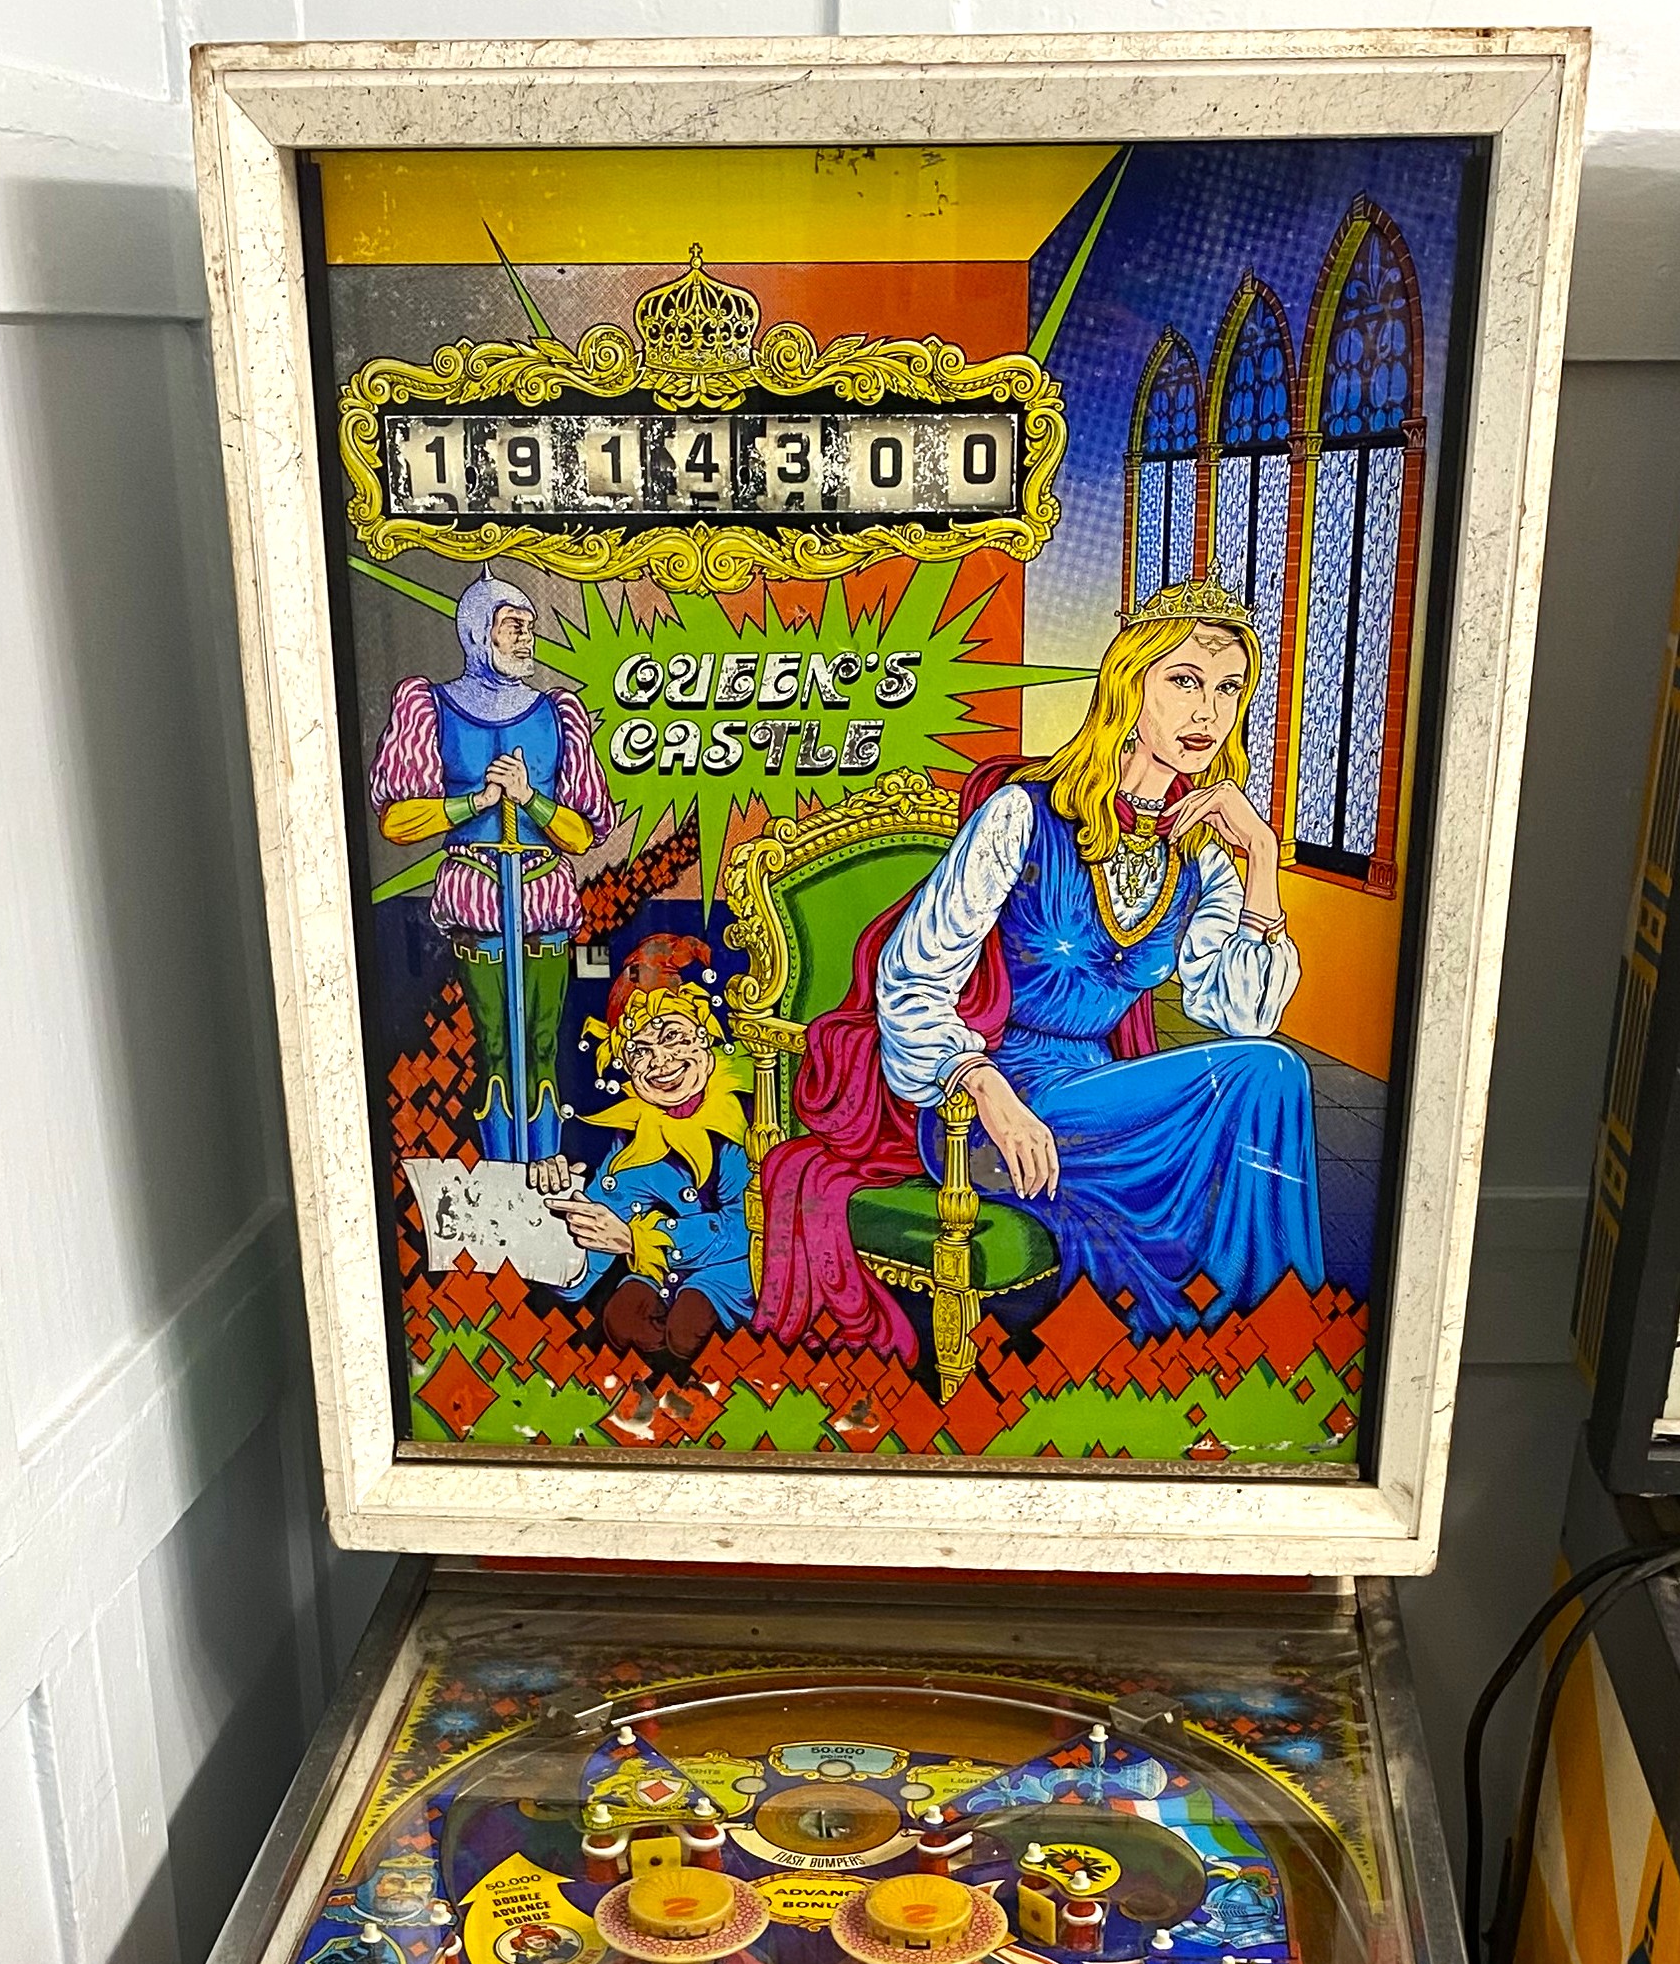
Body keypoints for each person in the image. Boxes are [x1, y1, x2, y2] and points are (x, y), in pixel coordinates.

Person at [757, 580, 1322, 1361]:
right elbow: (911, 978)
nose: (1208, 713)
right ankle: (1270, 1332)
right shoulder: (1023, 815)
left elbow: (1244, 1015)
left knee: (1267, 1070)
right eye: (1185, 681)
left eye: (1229, 689)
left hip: (1100, 1097)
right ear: (1129, 687)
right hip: (986, 1113)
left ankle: (1247, 1336)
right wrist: (983, 1086)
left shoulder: (1203, 858)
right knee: (1268, 1078)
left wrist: (1261, 855)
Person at [369, 570, 613, 1158]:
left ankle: (546, 1163)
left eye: (530, 625)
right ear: (479, 632)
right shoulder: (429, 706)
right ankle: (505, 1167)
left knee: (543, 1046)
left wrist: (529, 798)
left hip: (542, 899)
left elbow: (583, 834)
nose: (527, 636)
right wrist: (476, 802)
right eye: (513, 626)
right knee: (496, 1049)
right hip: (478, 899)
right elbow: (396, 822)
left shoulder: (558, 713)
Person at [532, 935, 755, 1443]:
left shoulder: (741, 1121)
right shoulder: (635, 1136)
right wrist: (557, 1205)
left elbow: (746, 1229)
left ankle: (715, 1417)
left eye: (674, 1038)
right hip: (656, 1271)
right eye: (641, 1052)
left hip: (734, 1271)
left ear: (705, 1040)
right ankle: (660, 1421)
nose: (661, 1062)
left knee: (690, 1322)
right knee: (623, 1317)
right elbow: (600, 1227)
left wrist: (640, 1239)